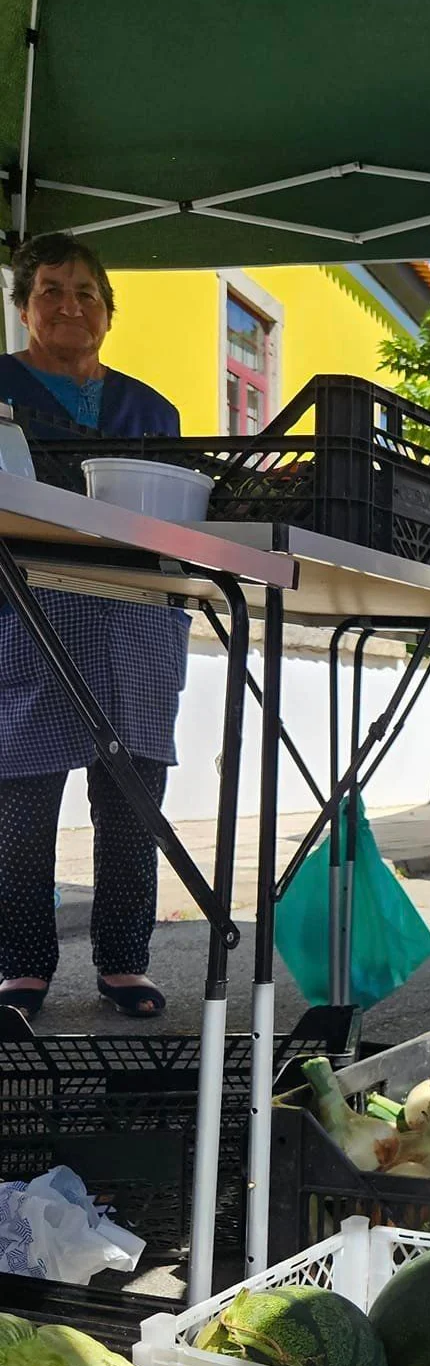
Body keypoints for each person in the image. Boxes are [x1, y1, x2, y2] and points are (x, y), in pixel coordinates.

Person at [0, 232, 190, 1020]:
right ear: (22, 308)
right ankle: (21, 967)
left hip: (136, 621)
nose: (69, 305)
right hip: (27, 610)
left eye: (85, 292)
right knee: (21, 800)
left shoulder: (154, 409)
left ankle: (123, 963)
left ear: (109, 314)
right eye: (49, 290)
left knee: (131, 799)